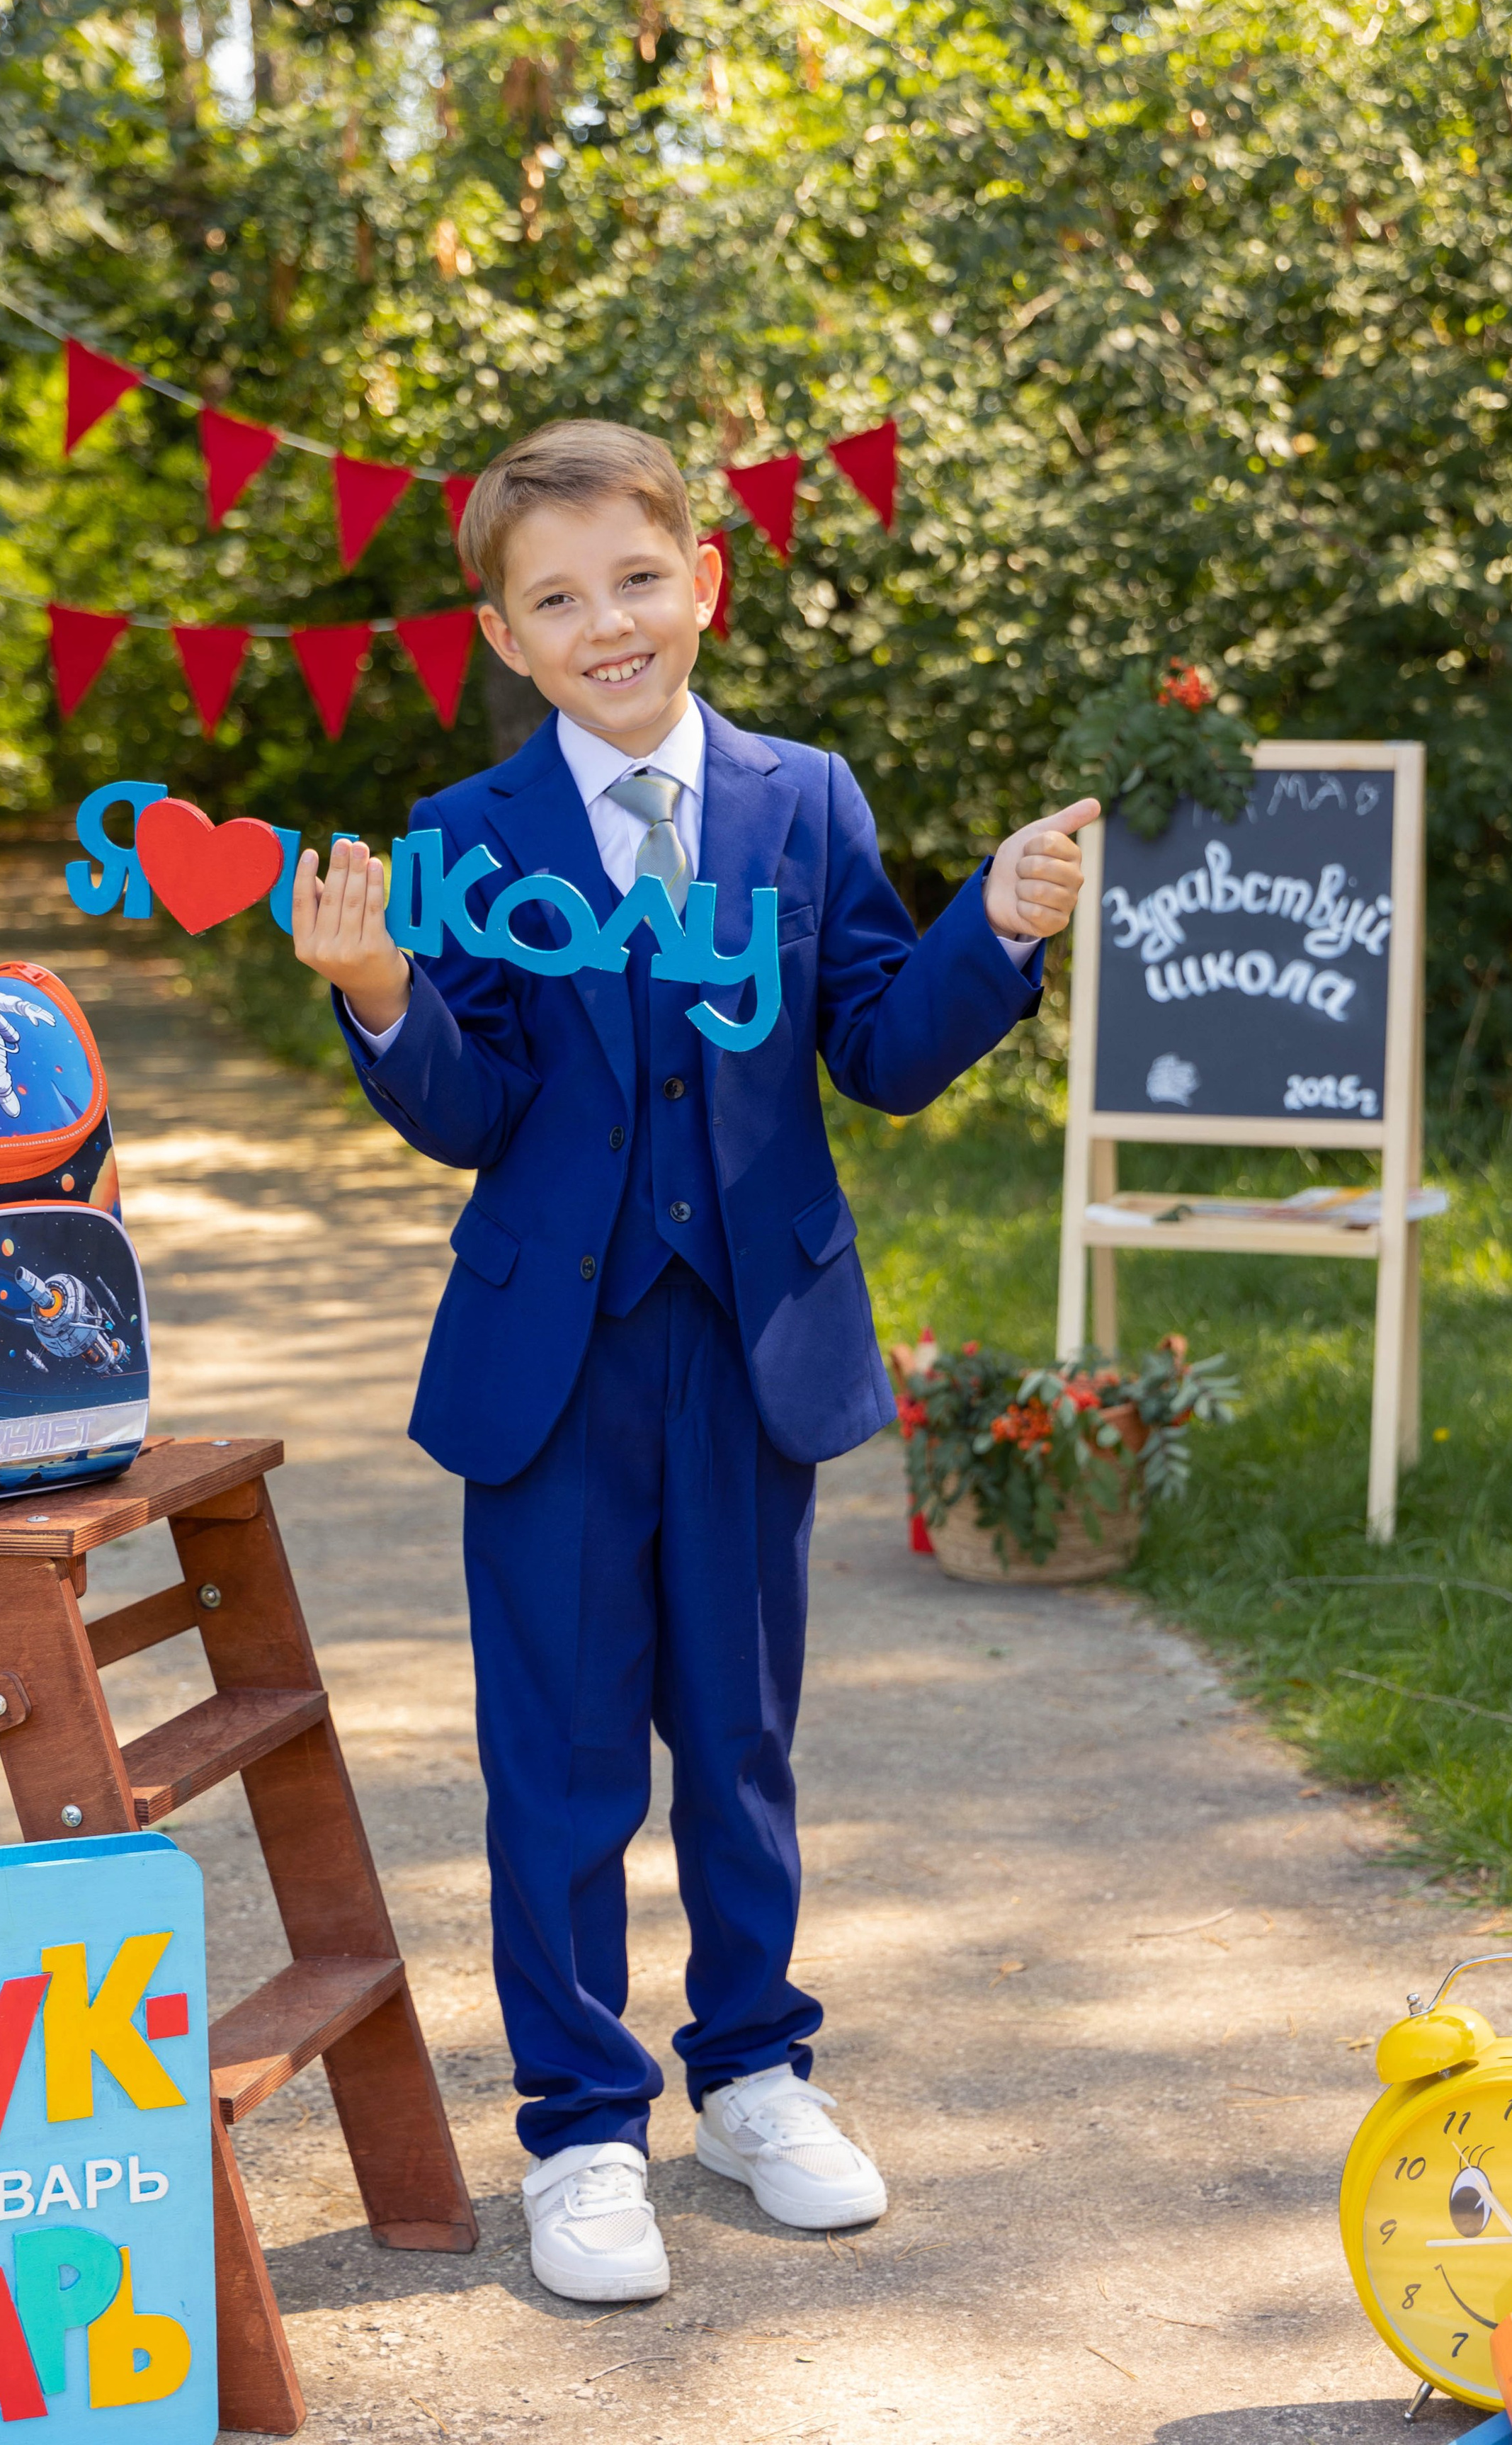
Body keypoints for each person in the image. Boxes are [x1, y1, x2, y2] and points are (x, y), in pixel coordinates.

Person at [292, 421, 1096, 2305]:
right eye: (557, 599)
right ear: (503, 636)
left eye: (637, 580)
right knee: (559, 1759)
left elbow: (880, 1049)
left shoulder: (805, 801)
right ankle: (583, 2126)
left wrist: (992, 931)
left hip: (755, 1346)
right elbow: (475, 1106)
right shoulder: (460, 844)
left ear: (704, 584)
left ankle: (754, 2073)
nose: (609, 622)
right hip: (552, 1369)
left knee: (739, 1743)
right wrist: (385, 1000)